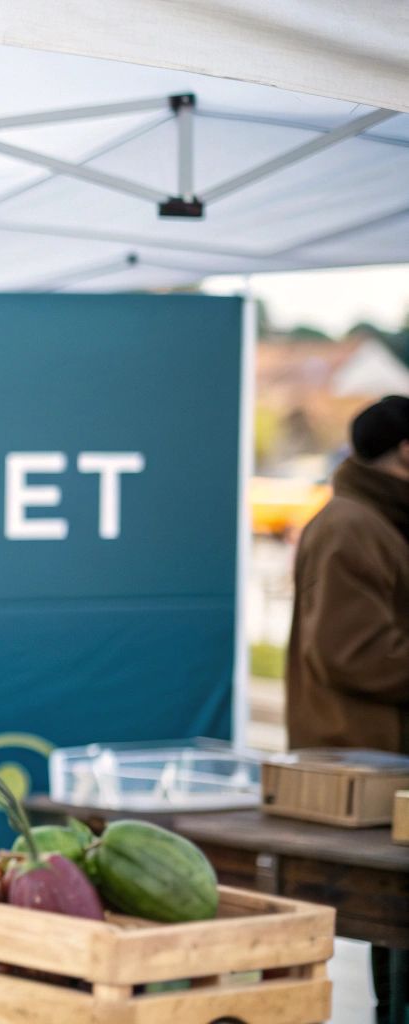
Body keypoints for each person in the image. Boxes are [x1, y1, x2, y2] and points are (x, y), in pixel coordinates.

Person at [286, 395, 409, 1024]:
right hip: (365, 769)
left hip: (381, 766)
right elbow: (350, 653)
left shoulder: (377, 521)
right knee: (394, 928)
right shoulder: (351, 526)